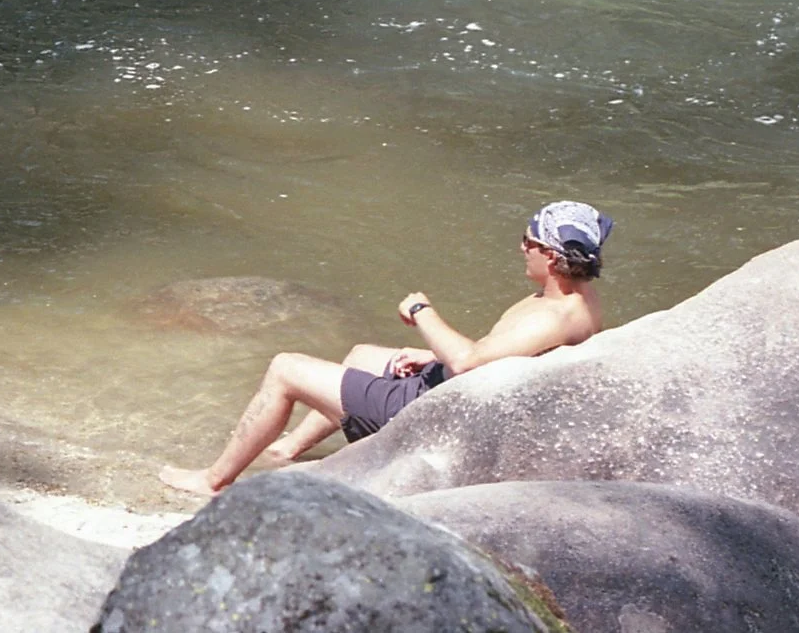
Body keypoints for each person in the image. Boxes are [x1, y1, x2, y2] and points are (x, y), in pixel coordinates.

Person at [158, 201, 612, 496]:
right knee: (360, 355)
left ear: (552, 257)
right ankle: (287, 451)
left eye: (529, 241)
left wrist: (422, 311)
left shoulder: (553, 315)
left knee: (285, 368)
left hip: (439, 408)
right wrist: (433, 358)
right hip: (461, 386)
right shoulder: (573, 302)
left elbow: (469, 361)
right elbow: (507, 354)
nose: (521, 247)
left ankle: (214, 479)